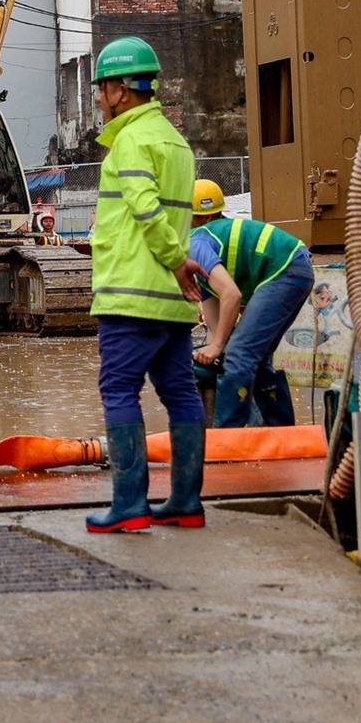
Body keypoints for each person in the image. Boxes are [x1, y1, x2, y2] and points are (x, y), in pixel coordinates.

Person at [85, 37, 207, 534]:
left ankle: (130, 505)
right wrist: (178, 269)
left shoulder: (130, 141)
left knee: (118, 389)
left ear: (121, 90)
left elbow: (146, 209)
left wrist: (177, 261)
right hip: (171, 302)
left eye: (101, 88)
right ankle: (185, 502)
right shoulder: (175, 141)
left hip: (130, 292)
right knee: (180, 392)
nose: (97, 97)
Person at [186, 178, 313, 428]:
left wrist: (220, 346)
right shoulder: (204, 267)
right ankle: (282, 432)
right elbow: (214, 328)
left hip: (285, 269)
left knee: (239, 353)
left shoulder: (194, 243)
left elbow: (231, 295)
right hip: (296, 267)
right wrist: (211, 353)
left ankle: (227, 437)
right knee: (256, 356)